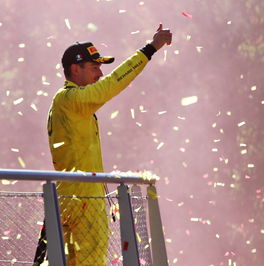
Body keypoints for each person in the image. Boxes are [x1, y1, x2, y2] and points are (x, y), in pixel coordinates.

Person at [44, 24, 172, 265]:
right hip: (83, 201)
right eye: (94, 68)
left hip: (70, 199)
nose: (100, 74)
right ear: (75, 69)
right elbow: (112, 83)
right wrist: (150, 49)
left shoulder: (68, 102)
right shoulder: (69, 98)